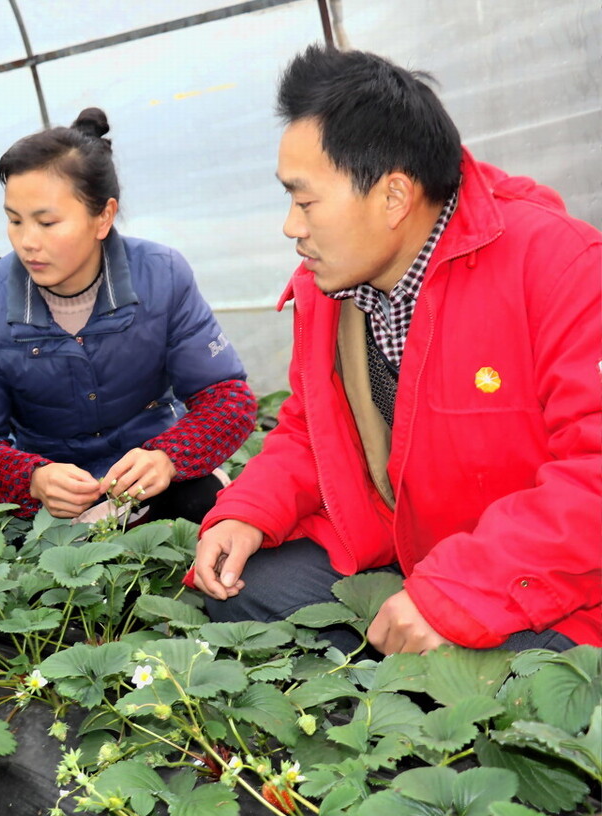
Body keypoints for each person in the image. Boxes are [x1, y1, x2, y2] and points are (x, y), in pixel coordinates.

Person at [189, 45, 601, 653]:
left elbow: (592, 478)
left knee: (509, 695)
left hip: (539, 585)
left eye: (305, 201)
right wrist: (247, 512)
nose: (291, 227)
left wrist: (458, 592)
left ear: (393, 197)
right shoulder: (332, 289)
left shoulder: (561, 266)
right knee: (243, 589)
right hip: (408, 557)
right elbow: (307, 434)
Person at [0, 109, 256, 523]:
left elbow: (227, 398)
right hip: (56, 510)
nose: (27, 242)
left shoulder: (161, 276)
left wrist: (168, 455)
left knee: (203, 507)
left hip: (161, 484)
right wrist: (34, 479)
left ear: (103, 216)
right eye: (14, 220)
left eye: (47, 222)